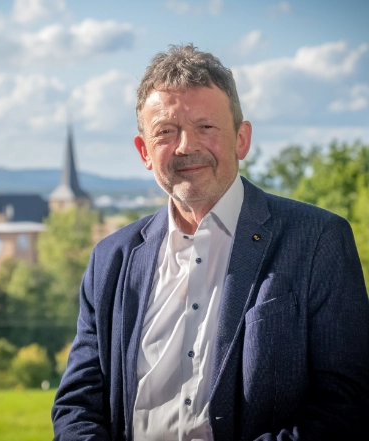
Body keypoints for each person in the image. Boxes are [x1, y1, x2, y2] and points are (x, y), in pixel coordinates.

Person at [52, 45, 369, 441]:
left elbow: (347, 403)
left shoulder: (317, 240)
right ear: (144, 152)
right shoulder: (110, 259)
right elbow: (77, 405)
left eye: (205, 126)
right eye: (166, 131)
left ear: (241, 139)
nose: (186, 146)